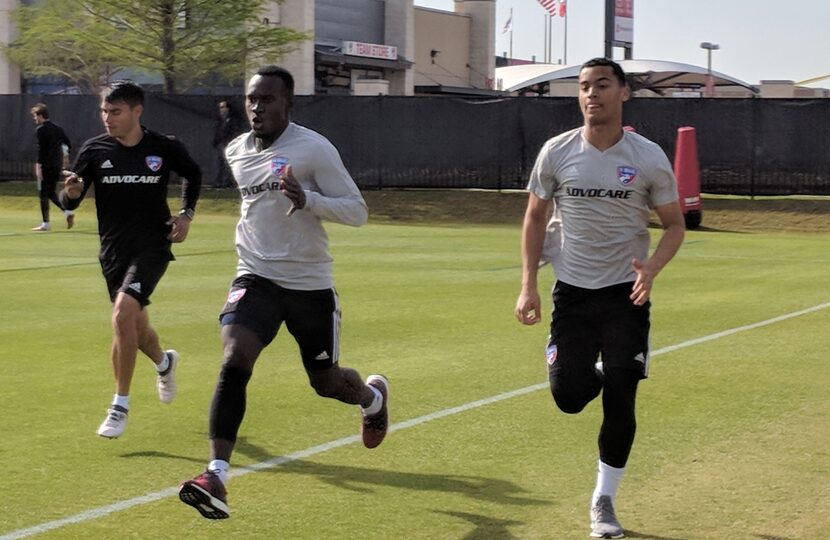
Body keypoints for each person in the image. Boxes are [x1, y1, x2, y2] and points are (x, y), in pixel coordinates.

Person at [178, 65, 389, 520]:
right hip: (255, 276)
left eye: (268, 99)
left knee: (326, 383)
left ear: (288, 104)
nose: (257, 107)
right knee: (234, 360)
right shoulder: (236, 150)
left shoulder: (313, 149)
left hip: (310, 285)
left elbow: (357, 211)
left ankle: (372, 399)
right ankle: (215, 475)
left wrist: (308, 199)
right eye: (252, 99)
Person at [514, 58, 685, 539]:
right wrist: (528, 283)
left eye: (602, 85)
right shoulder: (557, 151)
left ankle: (603, 501)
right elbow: (533, 218)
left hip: (625, 296)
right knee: (568, 397)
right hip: (571, 292)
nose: (592, 94)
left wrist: (652, 268)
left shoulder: (647, 156)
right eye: (585, 87)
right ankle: (596, 371)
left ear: (623, 93)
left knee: (622, 394)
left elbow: (675, 225)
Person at [59, 80, 202, 439]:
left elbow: (194, 173)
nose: (108, 118)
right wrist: (71, 194)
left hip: (152, 247)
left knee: (122, 314)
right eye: (104, 111)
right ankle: (164, 362)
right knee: (134, 328)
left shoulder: (163, 147)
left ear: (137, 111)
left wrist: (186, 214)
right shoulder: (94, 150)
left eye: (116, 112)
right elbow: (71, 199)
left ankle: (119, 405)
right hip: (112, 252)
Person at [30, 103, 74, 231]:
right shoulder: (58, 129)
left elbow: (41, 149)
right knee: (49, 192)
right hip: (56, 164)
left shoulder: (41, 130)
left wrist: (38, 166)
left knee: (44, 193)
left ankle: (48, 222)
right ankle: (64, 214)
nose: (34, 119)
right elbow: (67, 143)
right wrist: (65, 156)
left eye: (35, 116)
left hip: (46, 165)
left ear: (40, 115)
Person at [212, 100, 244, 187]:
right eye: (220, 108)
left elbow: (234, 132)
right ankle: (219, 182)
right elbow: (217, 132)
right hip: (220, 145)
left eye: (223, 107)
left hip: (228, 145)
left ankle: (227, 182)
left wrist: (229, 142)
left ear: (228, 109)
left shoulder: (232, 120)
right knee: (219, 164)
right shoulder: (219, 120)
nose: (221, 110)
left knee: (227, 164)